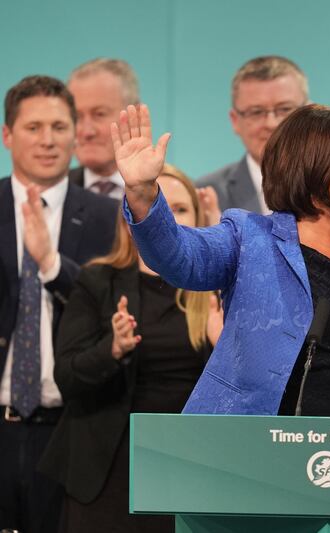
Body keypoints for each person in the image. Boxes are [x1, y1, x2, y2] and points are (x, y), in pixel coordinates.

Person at [112, 102, 330, 417]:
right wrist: (142, 192)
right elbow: (181, 257)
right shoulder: (251, 238)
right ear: (311, 158)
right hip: (266, 448)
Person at [38, 164, 220, 533]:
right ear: (130, 218)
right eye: (157, 205)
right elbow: (67, 376)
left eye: (180, 209)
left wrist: (223, 344)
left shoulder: (216, 287)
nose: (167, 218)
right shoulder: (98, 281)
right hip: (108, 469)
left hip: (191, 467)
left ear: (198, 218)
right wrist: (113, 348)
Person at [0, 75, 117, 533]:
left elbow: (111, 309)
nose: (48, 140)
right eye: (33, 128)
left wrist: (52, 265)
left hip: (73, 429)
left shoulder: (110, 217)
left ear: (75, 133)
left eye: (59, 126)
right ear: (7, 135)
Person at [196, 55, 309, 214]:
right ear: (235, 121)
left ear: (310, 114)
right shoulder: (205, 194)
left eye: (284, 109)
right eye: (256, 112)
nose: (271, 124)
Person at [67, 58, 140, 200]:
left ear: (134, 115)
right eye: (77, 116)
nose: (87, 132)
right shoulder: (51, 195)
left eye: (99, 114)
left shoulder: (173, 196)